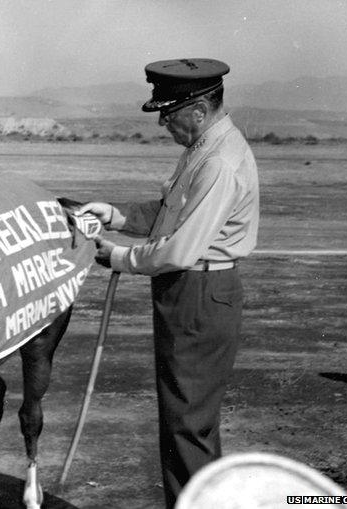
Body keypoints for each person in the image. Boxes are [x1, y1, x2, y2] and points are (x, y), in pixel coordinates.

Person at [64, 58, 259, 508]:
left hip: (198, 295)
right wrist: (115, 214)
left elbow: (182, 247)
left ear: (198, 110)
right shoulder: (204, 148)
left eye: (169, 116)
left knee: (187, 425)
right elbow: (170, 213)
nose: (165, 126)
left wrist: (120, 257)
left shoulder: (219, 162)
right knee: (184, 422)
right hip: (188, 293)